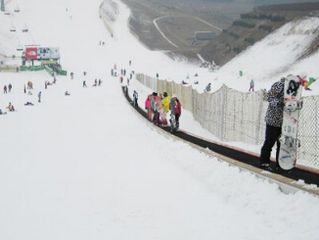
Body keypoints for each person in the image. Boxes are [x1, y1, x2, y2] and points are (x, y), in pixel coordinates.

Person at [260, 78, 285, 170]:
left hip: (285, 122)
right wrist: (279, 103)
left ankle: (281, 164)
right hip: (272, 120)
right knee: (269, 142)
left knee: (281, 144)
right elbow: (268, 97)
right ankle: (264, 162)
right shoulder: (279, 85)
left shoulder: (294, 90)